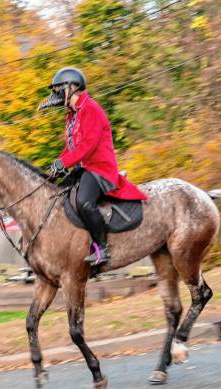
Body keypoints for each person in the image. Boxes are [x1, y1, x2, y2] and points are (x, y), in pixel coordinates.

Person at [38, 67, 148, 266]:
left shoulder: (91, 109)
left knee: (83, 202)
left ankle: (102, 248)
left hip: (100, 169)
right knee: (58, 195)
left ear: (72, 87)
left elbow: (87, 145)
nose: (57, 95)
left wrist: (65, 162)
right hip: (84, 168)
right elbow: (70, 147)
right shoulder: (71, 115)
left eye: (59, 89)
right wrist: (56, 165)